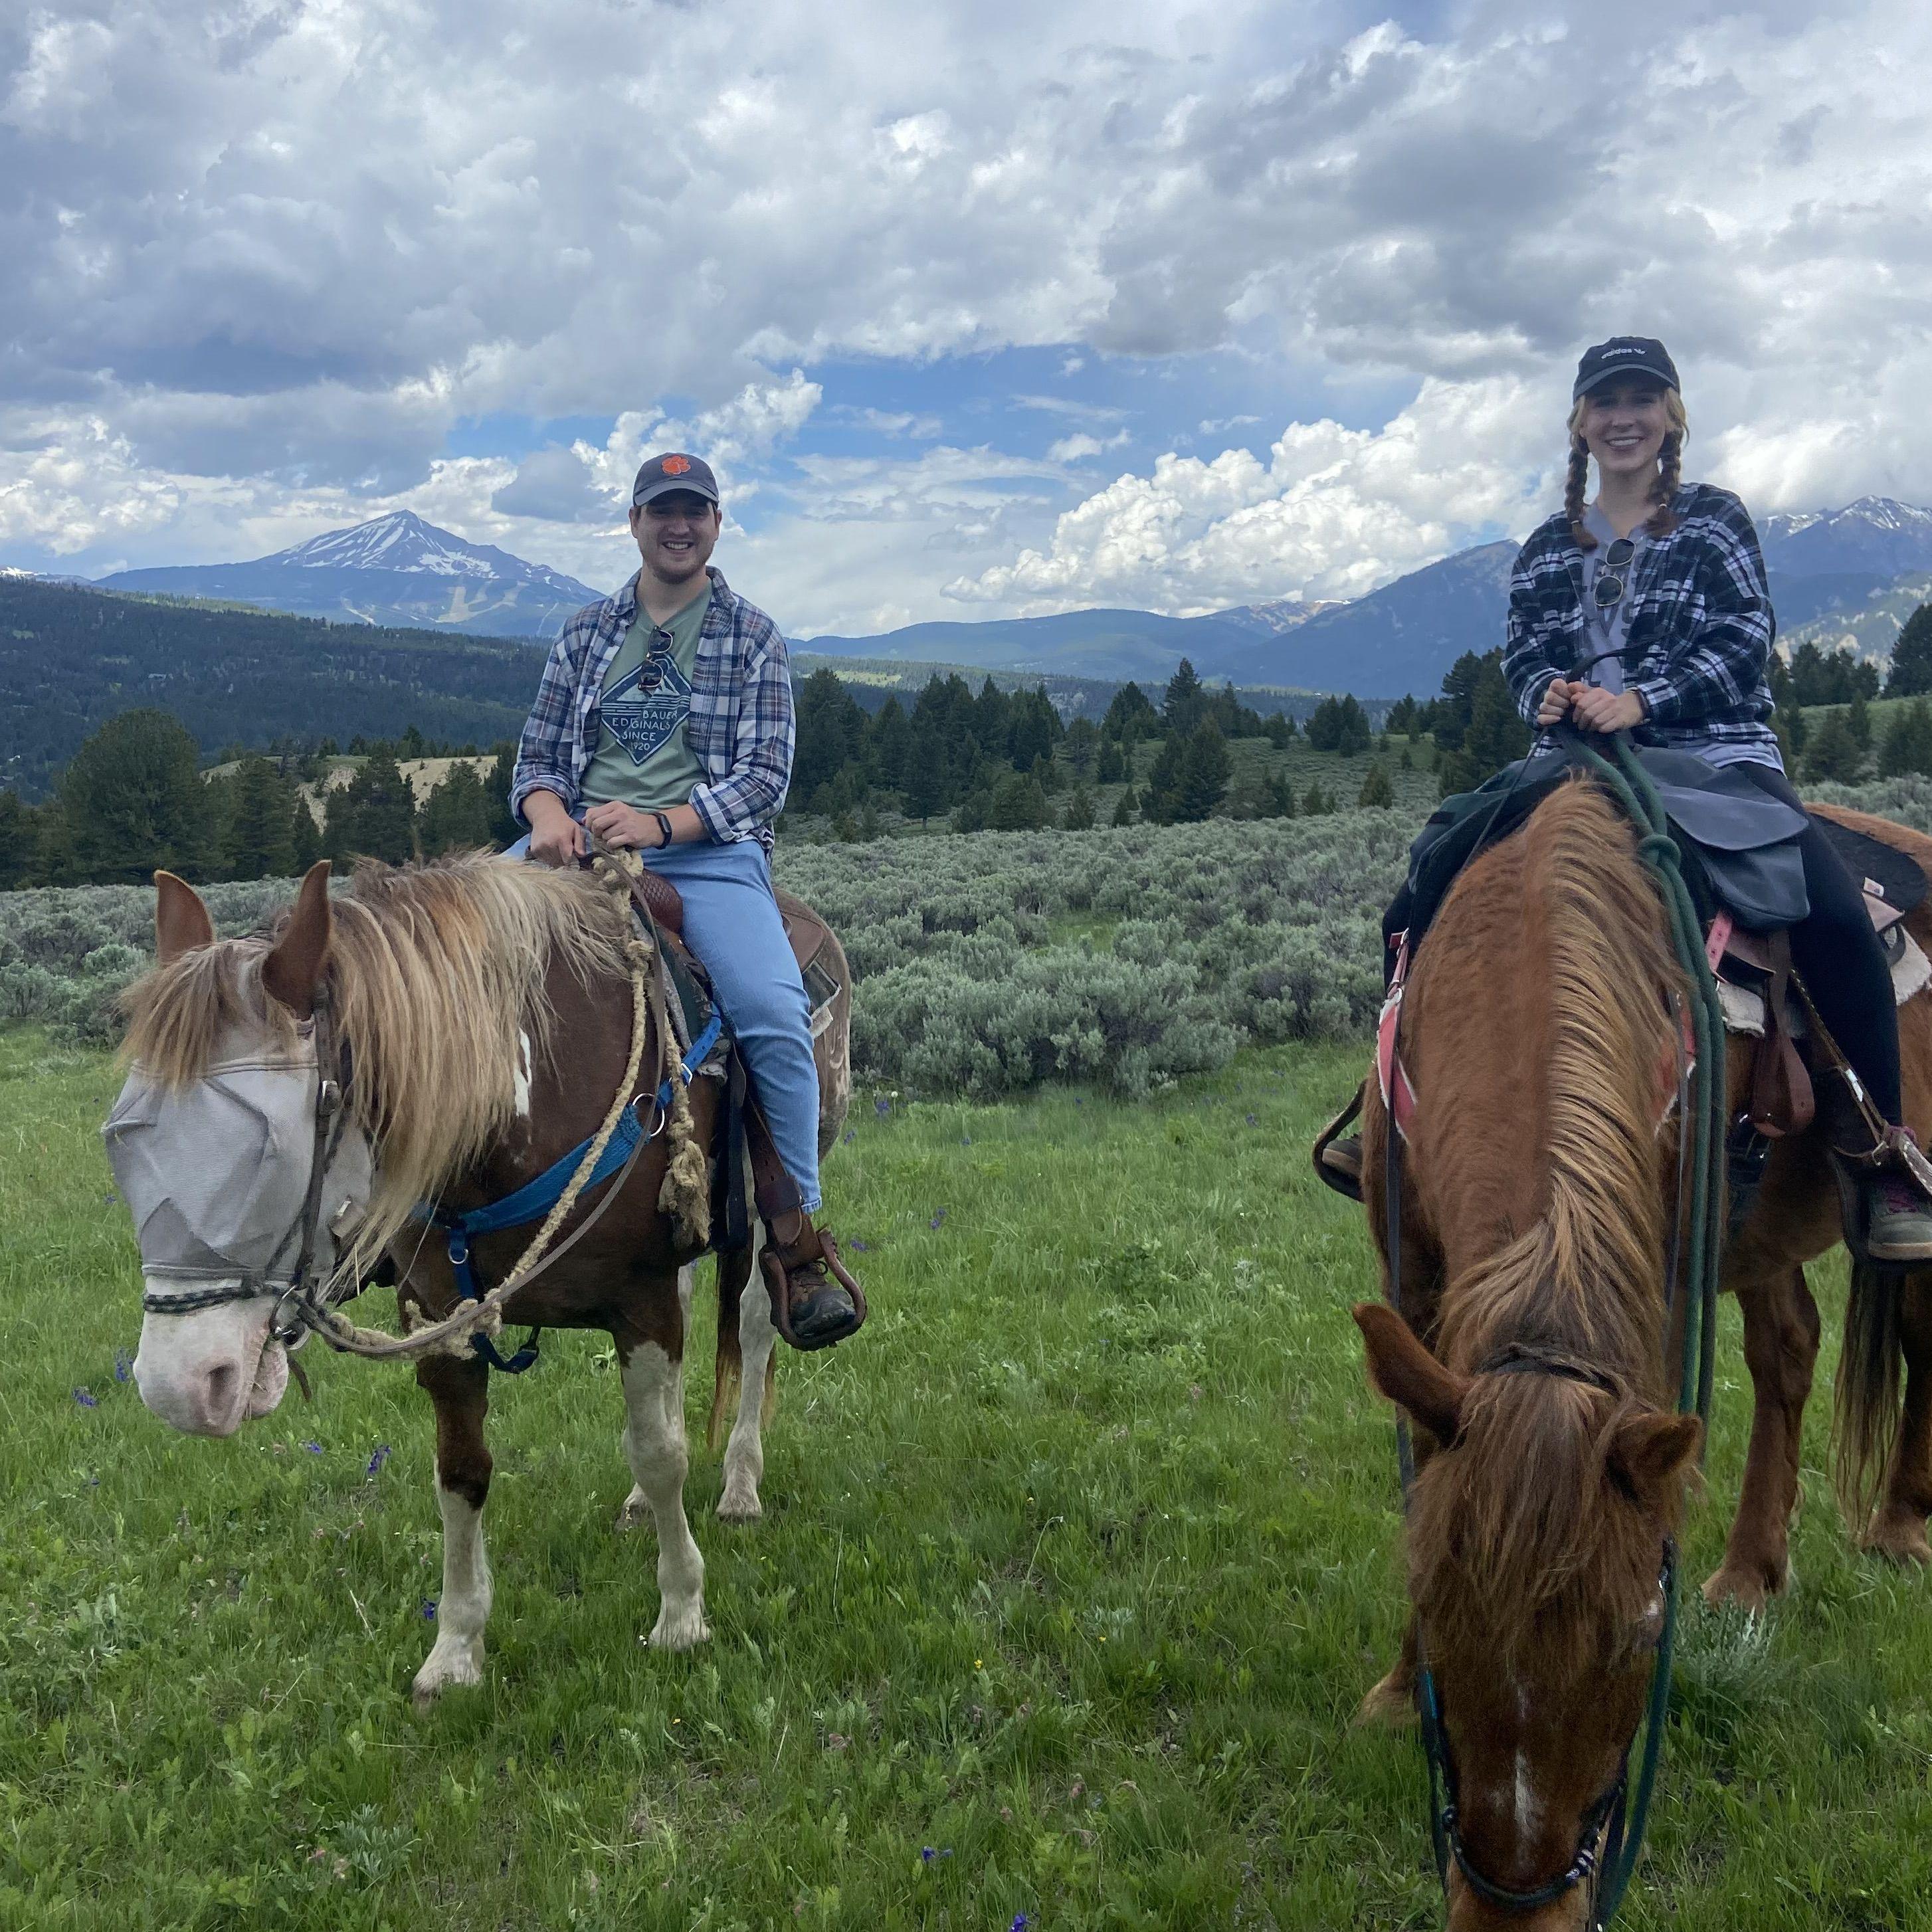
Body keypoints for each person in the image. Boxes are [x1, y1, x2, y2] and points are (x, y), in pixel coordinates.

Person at [1319, 336, 1932, 1262]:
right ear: (1580, 423)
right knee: (1426, 878)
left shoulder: (1715, 521)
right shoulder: (1542, 549)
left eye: (1644, 399)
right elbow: (1523, 652)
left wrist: (1645, 700)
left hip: (1715, 759)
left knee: (1834, 913)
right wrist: (1549, 697)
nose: (1624, 417)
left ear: (1671, 416)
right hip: (1569, 764)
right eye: (1607, 402)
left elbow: (1742, 641)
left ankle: (1881, 1146)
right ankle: (1395, 1114)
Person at [510, 451, 864, 1345]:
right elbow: (538, 760)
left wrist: (661, 826)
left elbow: (761, 781)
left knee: (775, 1012)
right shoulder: (587, 633)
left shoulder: (753, 636)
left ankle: (793, 1238)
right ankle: (419, 1201)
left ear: (716, 522)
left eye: (694, 510)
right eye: (661, 510)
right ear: (634, 523)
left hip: (706, 856)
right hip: (577, 845)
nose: (679, 525)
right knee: (446, 960)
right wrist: (549, 817)